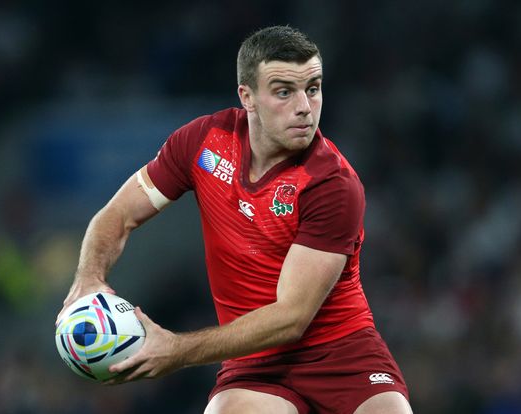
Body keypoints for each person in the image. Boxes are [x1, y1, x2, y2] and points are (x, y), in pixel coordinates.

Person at [57, 25, 412, 413]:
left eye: (313, 87)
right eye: (283, 92)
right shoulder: (203, 141)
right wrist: (89, 276)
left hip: (343, 355)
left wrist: (177, 349)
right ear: (248, 97)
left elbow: (291, 318)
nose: (304, 107)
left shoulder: (332, 185)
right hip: (255, 363)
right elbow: (118, 214)